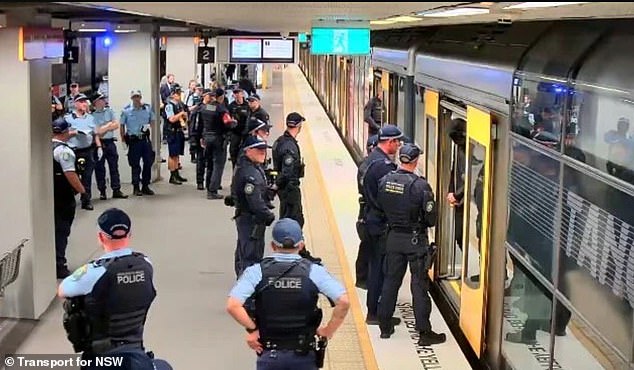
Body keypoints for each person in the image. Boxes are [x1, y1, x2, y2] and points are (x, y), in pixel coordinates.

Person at [226, 218, 350, 370]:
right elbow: (343, 302)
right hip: (304, 354)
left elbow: (233, 305)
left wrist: (252, 330)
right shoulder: (314, 271)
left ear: (273, 246)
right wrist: (327, 331)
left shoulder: (256, 271)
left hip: (269, 352)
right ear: (301, 245)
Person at [58, 208, 171, 370]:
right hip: (136, 353)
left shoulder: (94, 271)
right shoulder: (146, 264)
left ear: (100, 237)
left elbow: (63, 290)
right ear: (129, 235)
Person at [375, 143, 446, 345]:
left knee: (390, 282)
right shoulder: (421, 186)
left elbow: (379, 207)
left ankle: (385, 327)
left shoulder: (384, 181)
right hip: (415, 241)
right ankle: (424, 333)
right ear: (415, 161)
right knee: (418, 286)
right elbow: (431, 219)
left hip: (393, 238)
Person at [360, 125, 403, 326]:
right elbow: (389, 199)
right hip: (380, 224)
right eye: (398, 142)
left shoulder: (370, 160)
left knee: (374, 265)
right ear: (390, 142)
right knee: (380, 269)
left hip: (369, 218)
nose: (399, 145)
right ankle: (375, 312)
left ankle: (375, 310)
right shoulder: (384, 167)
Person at [230, 136, 276, 278]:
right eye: (259, 150)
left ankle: (243, 289)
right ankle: (247, 296)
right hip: (251, 220)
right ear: (248, 151)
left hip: (247, 218)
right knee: (251, 257)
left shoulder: (250, 167)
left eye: (264, 150)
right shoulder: (250, 173)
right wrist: (268, 216)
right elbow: (255, 202)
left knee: (244, 253)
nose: (263, 153)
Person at [52, 117, 86, 279]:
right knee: (62, 230)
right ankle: (59, 264)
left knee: (52, 230)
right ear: (65, 132)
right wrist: (82, 190)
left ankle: (50, 261)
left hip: (50, 196)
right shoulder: (64, 151)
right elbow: (70, 173)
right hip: (63, 197)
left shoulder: (48, 147)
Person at [65, 93, 100, 211]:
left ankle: (86, 200)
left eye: (85, 101)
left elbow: (95, 134)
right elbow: (63, 135)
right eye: (81, 101)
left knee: (87, 176)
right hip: (73, 151)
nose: (84, 104)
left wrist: (99, 147)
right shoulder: (68, 118)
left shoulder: (90, 118)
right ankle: (71, 197)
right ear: (75, 104)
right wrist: (74, 133)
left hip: (87, 150)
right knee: (72, 175)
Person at [92, 93, 127, 200]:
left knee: (114, 167)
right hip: (99, 144)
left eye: (103, 99)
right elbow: (97, 131)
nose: (103, 101)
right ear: (96, 102)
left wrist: (104, 127)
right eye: (101, 99)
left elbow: (116, 125)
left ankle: (116, 189)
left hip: (110, 142)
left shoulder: (109, 111)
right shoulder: (92, 115)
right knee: (100, 169)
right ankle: (102, 191)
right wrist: (108, 125)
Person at [120, 90, 156, 196]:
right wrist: (123, 140)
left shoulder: (147, 109)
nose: (136, 99)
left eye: (138, 97)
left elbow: (152, 121)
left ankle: (145, 185)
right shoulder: (126, 110)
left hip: (145, 140)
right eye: (134, 97)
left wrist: (152, 136)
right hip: (134, 141)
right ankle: (136, 187)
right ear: (131, 98)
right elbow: (121, 125)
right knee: (135, 165)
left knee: (148, 163)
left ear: (140, 97)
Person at [354, 134, 379, 289]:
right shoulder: (367, 167)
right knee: (368, 245)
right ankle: (363, 279)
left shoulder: (366, 164)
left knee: (366, 246)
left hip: (365, 212)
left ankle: (363, 278)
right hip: (367, 214)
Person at [189, 88, 214, 190]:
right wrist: (194, 138)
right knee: (201, 160)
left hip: (211, 137)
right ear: (204, 96)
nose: (211, 97)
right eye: (209, 96)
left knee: (211, 161)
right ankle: (200, 181)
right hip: (201, 137)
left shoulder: (212, 107)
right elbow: (194, 125)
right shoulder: (198, 109)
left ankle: (210, 182)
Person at [163, 85, 189, 185]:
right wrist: (181, 114)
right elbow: (172, 119)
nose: (179, 95)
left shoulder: (179, 104)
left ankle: (177, 172)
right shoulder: (169, 105)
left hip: (179, 131)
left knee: (177, 153)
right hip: (172, 132)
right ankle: (172, 175)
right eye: (178, 93)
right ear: (173, 94)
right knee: (172, 154)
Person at [447, 118, 467, 251]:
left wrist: (457, 194)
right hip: (459, 197)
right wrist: (451, 191)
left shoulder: (474, 149)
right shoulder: (459, 146)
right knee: (459, 236)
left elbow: (474, 175)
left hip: (465, 197)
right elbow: (455, 168)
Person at [228, 87, 250, 169]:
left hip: (246, 134)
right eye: (235, 93)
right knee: (233, 152)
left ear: (243, 94)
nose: (237, 95)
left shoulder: (247, 106)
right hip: (235, 133)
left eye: (239, 93)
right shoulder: (231, 106)